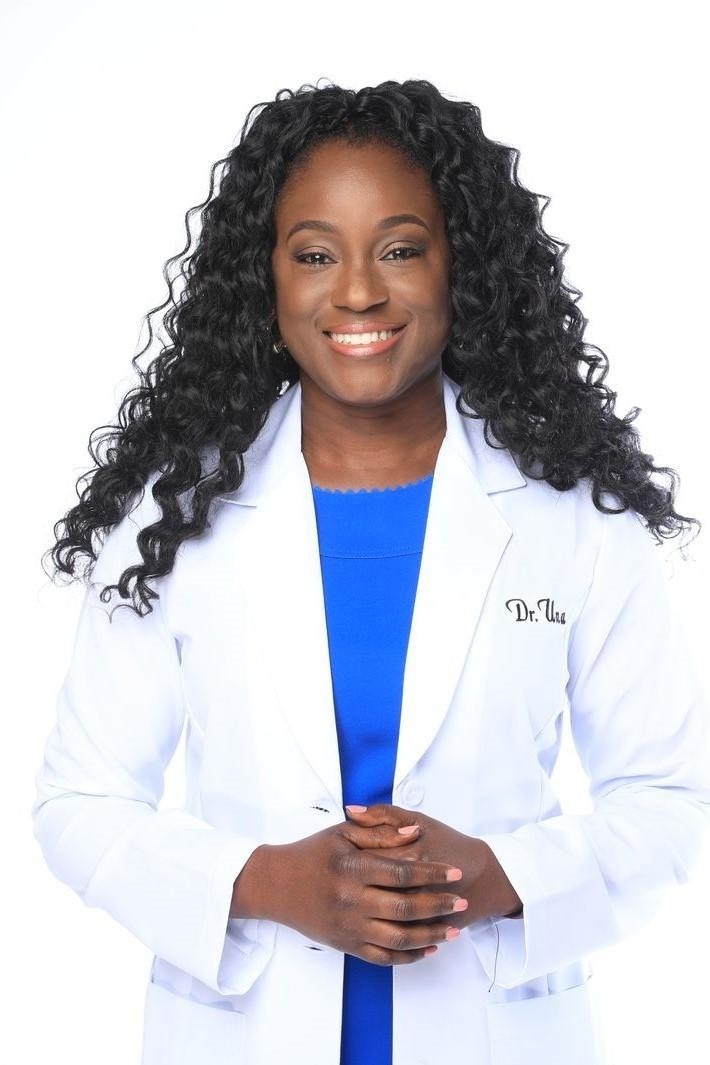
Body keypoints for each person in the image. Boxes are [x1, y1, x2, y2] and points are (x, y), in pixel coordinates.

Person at [33, 78, 710, 1065]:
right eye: (315, 254)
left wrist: (493, 876)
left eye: (399, 249)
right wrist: (269, 883)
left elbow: (669, 802)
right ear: (265, 278)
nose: (356, 292)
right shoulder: (174, 518)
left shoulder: (573, 518)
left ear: (461, 266)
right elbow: (79, 803)